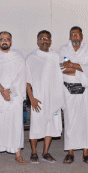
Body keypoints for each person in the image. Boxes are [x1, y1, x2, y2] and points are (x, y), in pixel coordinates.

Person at [0, 31, 28, 165]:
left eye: (7, 39)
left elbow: (21, 76)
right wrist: (3, 91)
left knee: (15, 123)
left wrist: (10, 91)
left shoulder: (18, 56)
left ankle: (17, 153)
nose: (4, 41)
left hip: (14, 95)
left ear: (11, 41)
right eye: (2, 39)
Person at [59, 26, 88, 164]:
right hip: (68, 92)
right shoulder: (64, 49)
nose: (75, 37)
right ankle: (70, 153)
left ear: (81, 36)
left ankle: (86, 153)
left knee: (86, 122)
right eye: (72, 35)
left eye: (77, 34)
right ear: (69, 37)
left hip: (84, 91)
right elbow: (63, 69)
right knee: (70, 122)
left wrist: (73, 66)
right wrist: (80, 68)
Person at [25, 30, 64, 164]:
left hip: (53, 98)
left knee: (50, 127)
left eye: (47, 39)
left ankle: (45, 152)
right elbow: (27, 81)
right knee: (36, 126)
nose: (44, 41)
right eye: (42, 38)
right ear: (37, 41)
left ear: (50, 41)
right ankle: (34, 152)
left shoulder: (56, 56)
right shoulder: (31, 57)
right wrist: (31, 98)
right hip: (38, 99)